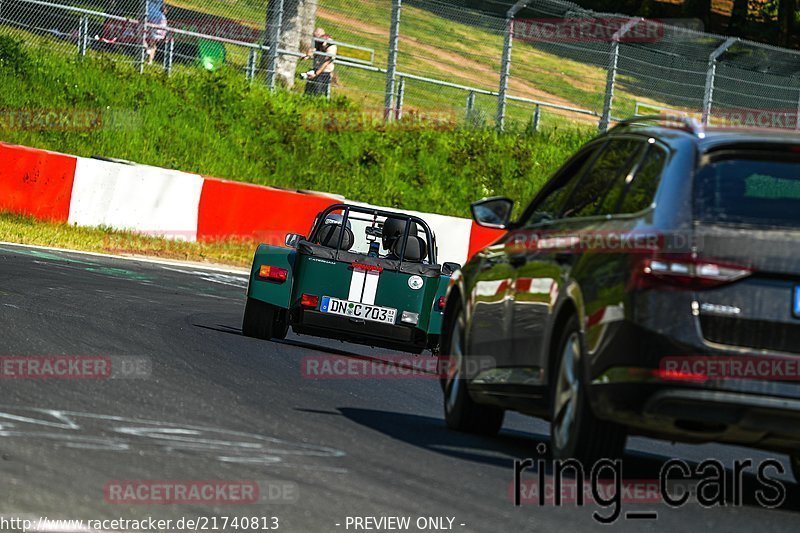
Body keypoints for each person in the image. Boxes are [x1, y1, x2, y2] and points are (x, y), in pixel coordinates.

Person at [302, 28, 337, 97]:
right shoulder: (317, 41)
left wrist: (316, 73)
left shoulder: (330, 45)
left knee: (320, 93)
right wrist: (307, 55)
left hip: (324, 72)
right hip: (315, 68)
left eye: (317, 36)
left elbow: (327, 62)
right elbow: (313, 49)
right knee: (308, 92)